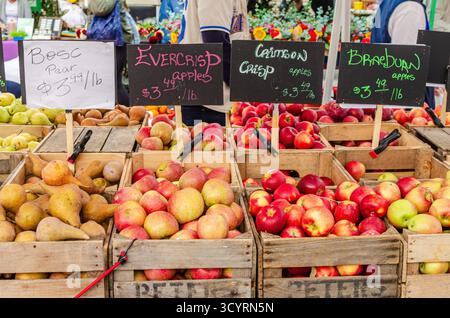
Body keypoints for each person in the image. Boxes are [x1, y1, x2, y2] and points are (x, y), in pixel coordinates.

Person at [178, 0, 237, 126]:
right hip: (211, 101)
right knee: (209, 144)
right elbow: (215, 41)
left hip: (205, 94)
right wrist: (240, 85)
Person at [371, 0, 435, 108]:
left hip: (381, 90)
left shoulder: (386, 3)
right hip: (402, 104)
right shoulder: (411, 9)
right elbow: (406, 66)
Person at [88, 0, 135, 106]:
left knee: (109, 81)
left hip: (109, 41)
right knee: (114, 81)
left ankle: (127, 111)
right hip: (115, 40)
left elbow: (99, 9)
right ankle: (127, 111)